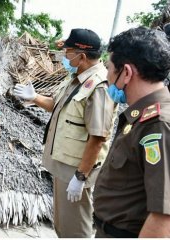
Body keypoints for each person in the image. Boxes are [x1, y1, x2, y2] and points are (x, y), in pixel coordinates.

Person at [13, 28, 116, 237]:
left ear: (82, 56)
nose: (64, 57)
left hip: (77, 169)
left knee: (76, 227)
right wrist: (35, 97)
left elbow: (98, 138)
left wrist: (80, 177)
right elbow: (57, 105)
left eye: (68, 52)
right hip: (64, 164)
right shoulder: (76, 77)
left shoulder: (99, 87)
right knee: (64, 224)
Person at [93, 26, 170, 238]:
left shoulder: (158, 124)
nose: (107, 76)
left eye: (108, 68)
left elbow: (163, 218)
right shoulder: (143, 117)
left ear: (126, 72)